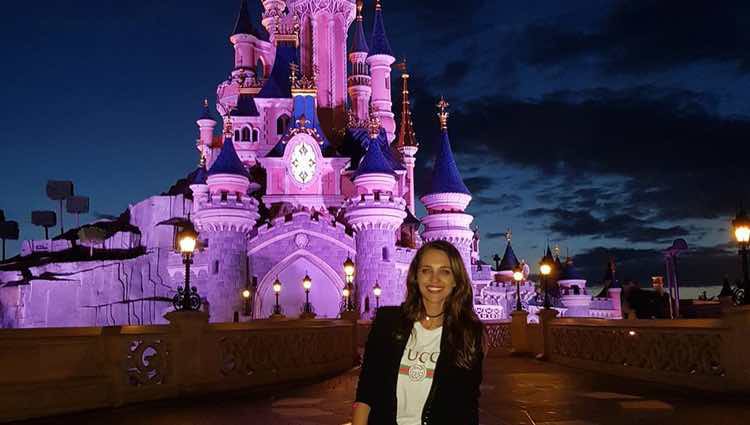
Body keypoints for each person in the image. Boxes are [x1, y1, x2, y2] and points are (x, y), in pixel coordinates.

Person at [351, 240, 485, 425]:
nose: (434, 279)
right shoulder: (387, 322)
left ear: (456, 280)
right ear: (415, 276)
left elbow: (467, 406)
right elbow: (366, 392)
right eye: (426, 270)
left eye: (444, 271)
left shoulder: (468, 333)